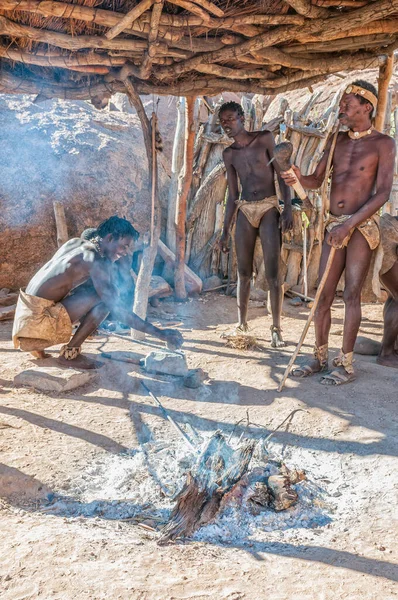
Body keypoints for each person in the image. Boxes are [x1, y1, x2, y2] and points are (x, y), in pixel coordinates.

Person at [281, 80, 396, 384]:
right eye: (343, 102)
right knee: (323, 294)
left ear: (366, 107)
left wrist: (349, 224)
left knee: (352, 296)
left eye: (348, 102)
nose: (342, 107)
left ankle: (344, 363)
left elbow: (382, 193)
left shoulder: (383, 143)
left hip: (361, 227)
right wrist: (295, 175)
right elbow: (316, 180)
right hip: (335, 224)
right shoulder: (336, 140)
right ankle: (318, 357)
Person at [12, 216, 183, 369]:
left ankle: (39, 346)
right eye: (124, 246)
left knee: (97, 292)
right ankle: (70, 355)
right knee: (106, 301)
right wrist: (161, 334)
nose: (125, 252)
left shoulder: (74, 244)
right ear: (109, 238)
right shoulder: (96, 261)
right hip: (36, 325)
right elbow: (116, 308)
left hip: (23, 318)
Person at [218, 101, 293, 348]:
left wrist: (287, 207)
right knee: (243, 272)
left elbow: (282, 174)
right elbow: (232, 194)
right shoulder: (229, 154)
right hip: (245, 209)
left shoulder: (264, 139)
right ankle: (242, 324)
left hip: (269, 206)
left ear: (241, 118)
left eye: (229, 119)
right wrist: (224, 230)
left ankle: (276, 328)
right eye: (222, 122)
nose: (226, 125)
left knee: (273, 273)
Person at [355, 213, 398, 368]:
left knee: (394, 295)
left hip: (387, 230)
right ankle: (386, 354)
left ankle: (391, 347)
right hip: (391, 236)